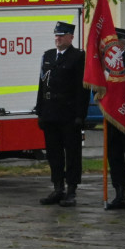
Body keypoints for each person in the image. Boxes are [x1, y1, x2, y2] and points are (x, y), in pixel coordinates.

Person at [36, 21, 88, 207]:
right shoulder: (48, 55)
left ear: (70, 37)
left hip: (68, 114)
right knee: (54, 153)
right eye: (56, 35)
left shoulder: (78, 57)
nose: (57, 38)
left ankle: (71, 190)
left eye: (61, 35)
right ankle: (58, 188)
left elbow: (81, 89)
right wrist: (40, 111)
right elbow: (42, 85)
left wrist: (80, 115)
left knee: (72, 154)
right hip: (50, 113)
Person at [105, 29, 125, 211]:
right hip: (112, 115)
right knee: (114, 156)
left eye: (116, 42)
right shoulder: (107, 62)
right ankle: (119, 194)